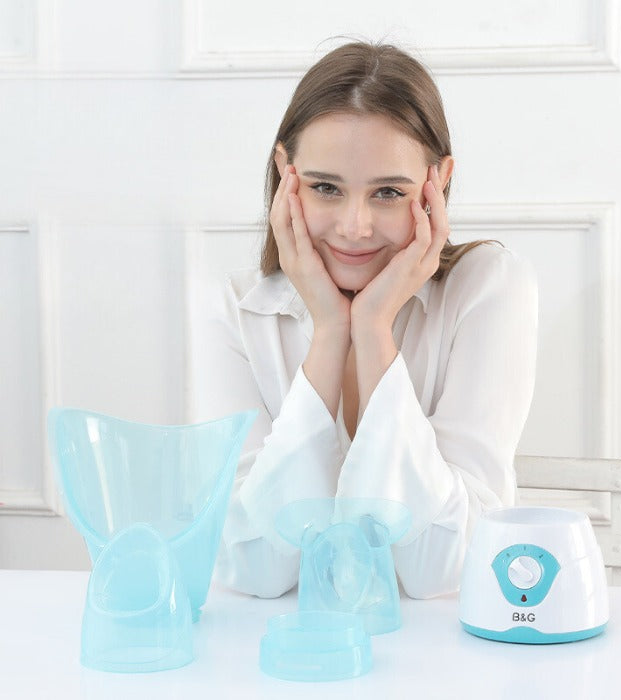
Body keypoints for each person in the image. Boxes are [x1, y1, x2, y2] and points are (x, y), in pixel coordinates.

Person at [194, 41, 538, 599]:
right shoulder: (233, 310)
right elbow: (254, 567)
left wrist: (374, 329)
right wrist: (331, 333)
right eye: (326, 188)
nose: (355, 227)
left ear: (438, 182)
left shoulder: (488, 288)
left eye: (388, 193)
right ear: (285, 173)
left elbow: (446, 567)